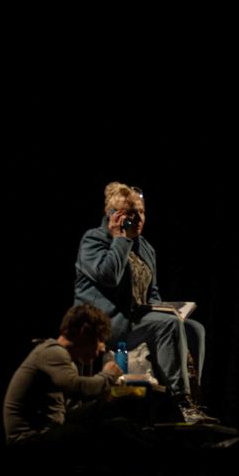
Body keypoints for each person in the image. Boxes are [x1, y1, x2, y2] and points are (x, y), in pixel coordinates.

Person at [74, 181, 215, 424]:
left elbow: (152, 293)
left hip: (136, 320)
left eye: (142, 212)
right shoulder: (94, 240)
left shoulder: (146, 248)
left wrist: (168, 310)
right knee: (168, 326)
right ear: (115, 215)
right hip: (105, 323)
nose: (139, 218)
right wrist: (120, 239)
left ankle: (193, 398)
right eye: (132, 213)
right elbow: (108, 276)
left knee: (194, 329)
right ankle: (180, 401)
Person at [3, 303, 124, 448]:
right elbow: (77, 388)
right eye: (100, 338)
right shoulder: (53, 352)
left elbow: (70, 408)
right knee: (96, 433)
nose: (102, 348)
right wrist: (108, 375)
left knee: (111, 418)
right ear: (84, 331)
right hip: (28, 440)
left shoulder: (66, 361)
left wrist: (109, 398)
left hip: (48, 431)